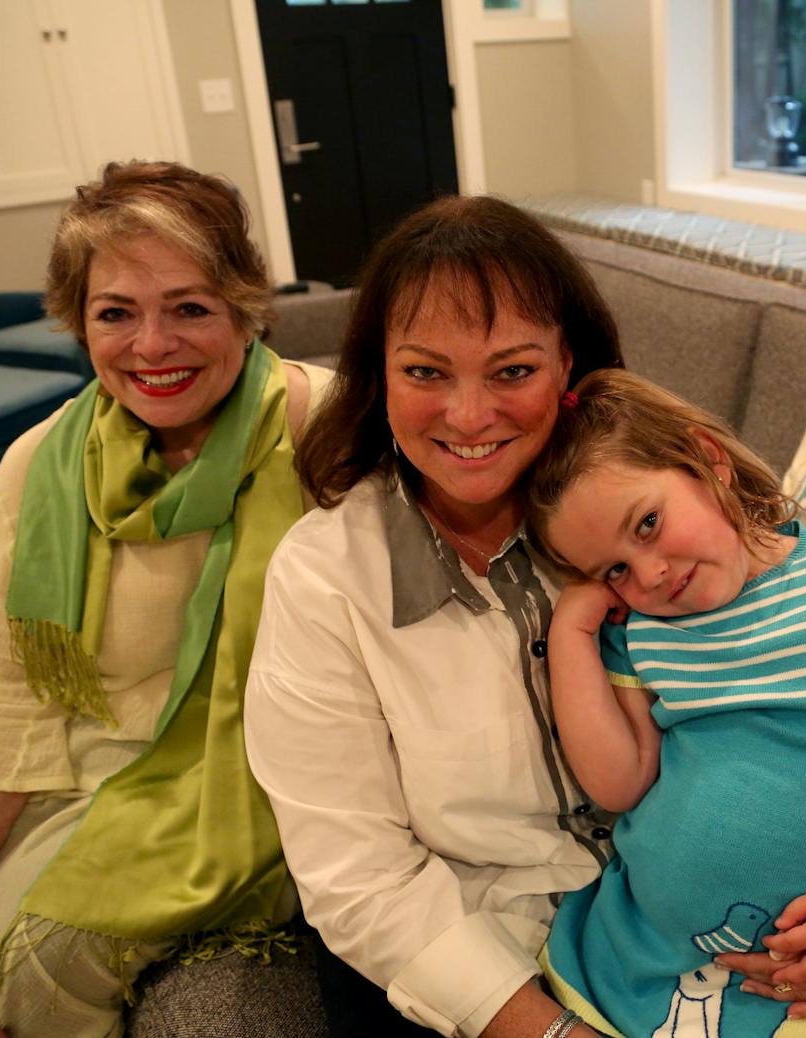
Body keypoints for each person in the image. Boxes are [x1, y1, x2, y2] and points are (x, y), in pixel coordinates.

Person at [0, 160, 333, 1038]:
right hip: (80, 800)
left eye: (189, 307)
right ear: (80, 323)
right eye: (117, 313)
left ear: (245, 307)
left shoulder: (322, 428)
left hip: (266, 819)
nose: (152, 346)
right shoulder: (42, 466)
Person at [241, 195, 626, 1038]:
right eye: (425, 372)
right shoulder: (323, 579)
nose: (469, 414)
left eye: (513, 371)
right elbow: (358, 879)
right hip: (466, 964)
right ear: (379, 377)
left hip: (665, 925)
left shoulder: (646, 522)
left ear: (570, 368)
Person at [522, 369, 806, 1038]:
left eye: (648, 524)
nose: (647, 574)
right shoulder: (643, 631)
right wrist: (572, 630)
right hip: (637, 951)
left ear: (709, 462)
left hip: (791, 977)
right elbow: (619, 784)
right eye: (613, 570)